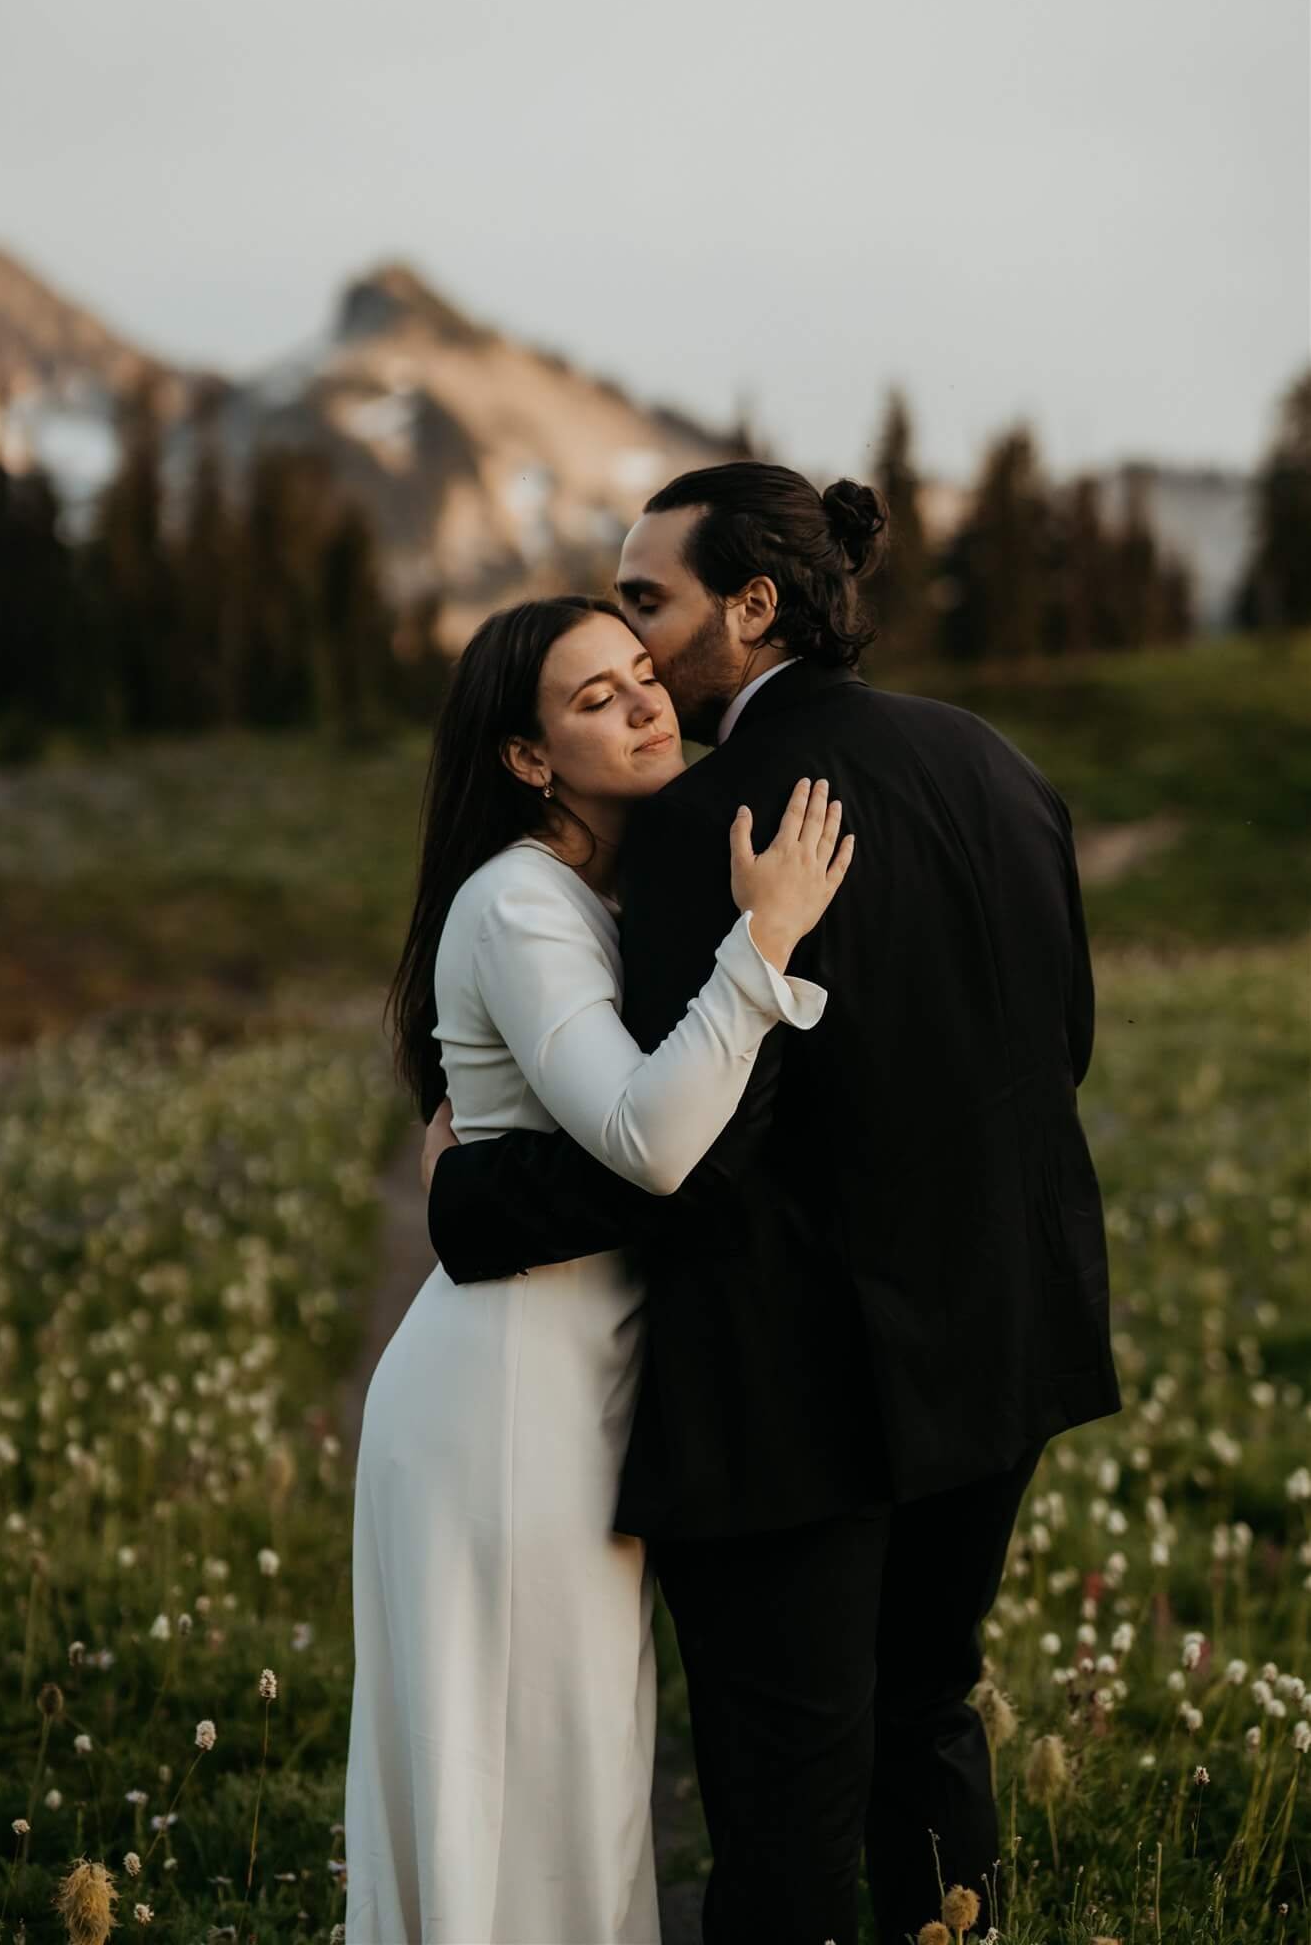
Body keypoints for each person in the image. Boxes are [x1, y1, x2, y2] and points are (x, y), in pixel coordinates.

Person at [422, 461, 1123, 1945]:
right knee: (927, 1710)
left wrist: (475, 1204)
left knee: (786, 1795)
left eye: (645, 603)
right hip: (997, 1349)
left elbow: (697, 1136)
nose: (632, 643)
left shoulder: (712, 819)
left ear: (748, 608)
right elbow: (1051, 1045)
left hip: (796, 1390)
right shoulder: (994, 762)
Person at [343, 591, 854, 1945]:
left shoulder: (604, 890)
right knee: (525, 1779)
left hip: (571, 1385)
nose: (646, 705)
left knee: (570, 1776)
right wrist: (766, 942)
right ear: (525, 758)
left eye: (643, 674)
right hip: (506, 1398)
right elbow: (646, 1138)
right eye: (593, 698)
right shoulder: (519, 900)